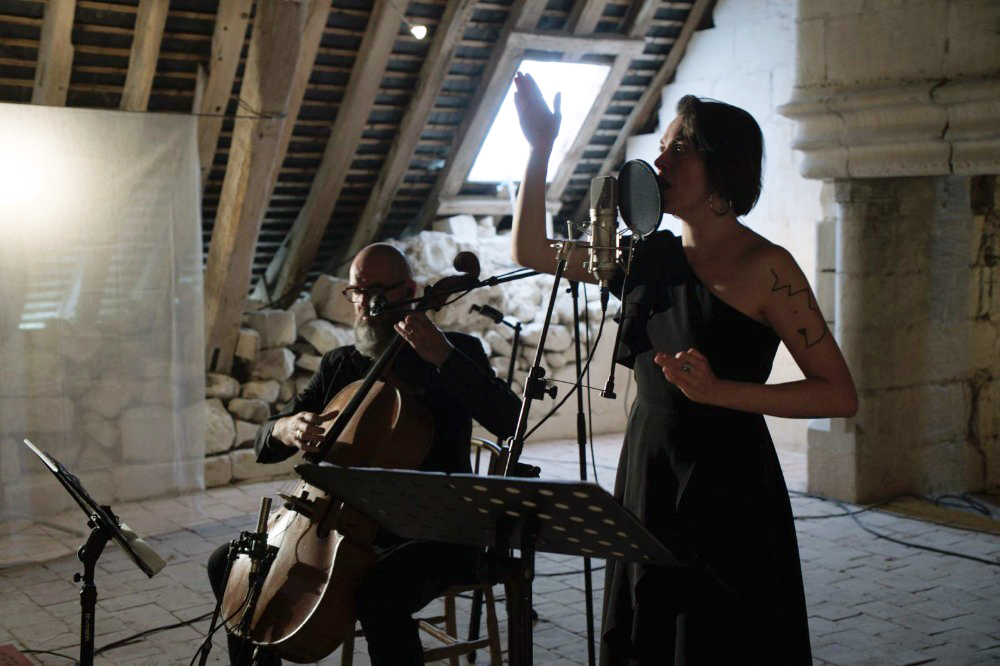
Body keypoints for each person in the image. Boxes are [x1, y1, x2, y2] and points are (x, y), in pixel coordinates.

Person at [509, 71, 858, 664]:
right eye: (662, 147)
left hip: (727, 478)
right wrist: (540, 147)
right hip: (648, 467)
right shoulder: (647, 257)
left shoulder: (768, 267)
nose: (660, 161)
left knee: (717, 636)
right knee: (647, 627)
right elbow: (532, 251)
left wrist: (721, 391)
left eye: (679, 148)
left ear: (721, 164)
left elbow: (838, 395)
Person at [206, 243, 521, 666]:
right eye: (356, 291)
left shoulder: (454, 350)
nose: (364, 303)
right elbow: (264, 441)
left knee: (379, 593)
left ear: (409, 290)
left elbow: (510, 418)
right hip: (342, 528)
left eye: (375, 291)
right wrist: (288, 426)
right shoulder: (341, 365)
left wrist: (444, 357)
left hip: (436, 531)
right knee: (228, 562)